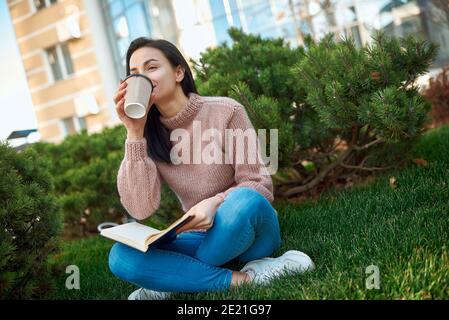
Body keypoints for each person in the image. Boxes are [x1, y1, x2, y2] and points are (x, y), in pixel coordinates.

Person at [108, 37, 315, 300]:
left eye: (151, 67)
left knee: (243, 200)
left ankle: (173, 279)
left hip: (246, 225)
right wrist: (134, 133)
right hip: (200, 238)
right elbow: (140, 208)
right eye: (134, 73)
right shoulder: (148, 135)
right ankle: (245, 278)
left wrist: (214, 203)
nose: (143, 78)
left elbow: (258, 184)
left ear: (179, 72)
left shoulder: (225, 111)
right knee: (121, 256)